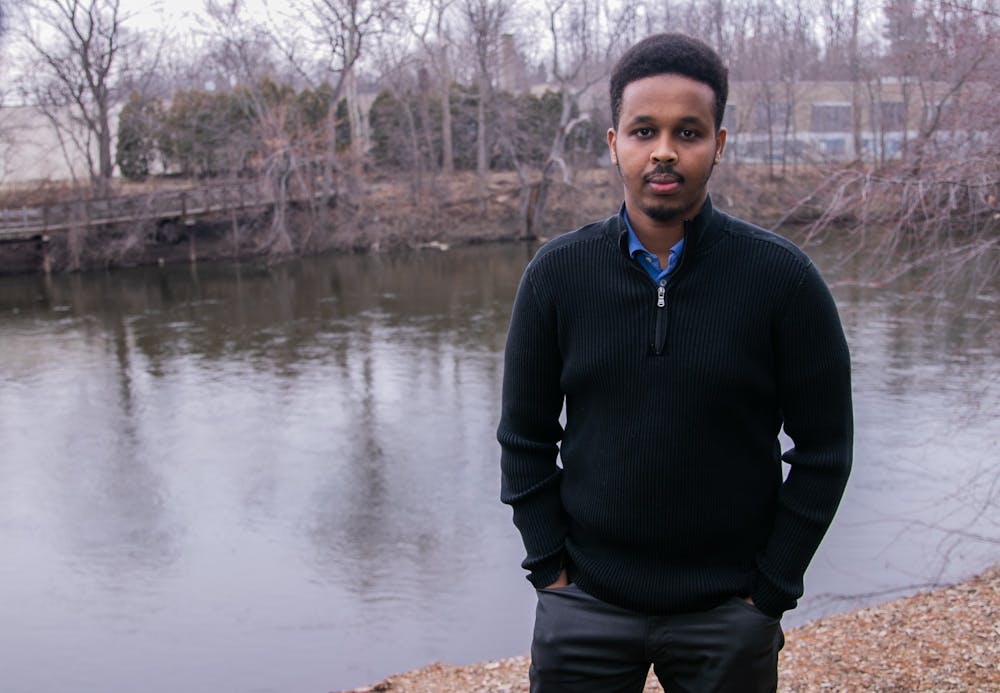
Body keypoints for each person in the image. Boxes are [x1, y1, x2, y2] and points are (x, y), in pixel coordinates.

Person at [497, 33, 853, 693]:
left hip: (728, 613)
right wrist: (552, 576)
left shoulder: (782, 280)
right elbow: (524, 439)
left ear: (718, 144)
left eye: (687, 131)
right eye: (644, 130)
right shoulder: (557, 276)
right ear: (613, 144)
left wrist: (769, 594)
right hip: (587, 607)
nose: (664, 149)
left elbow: (825, 450)